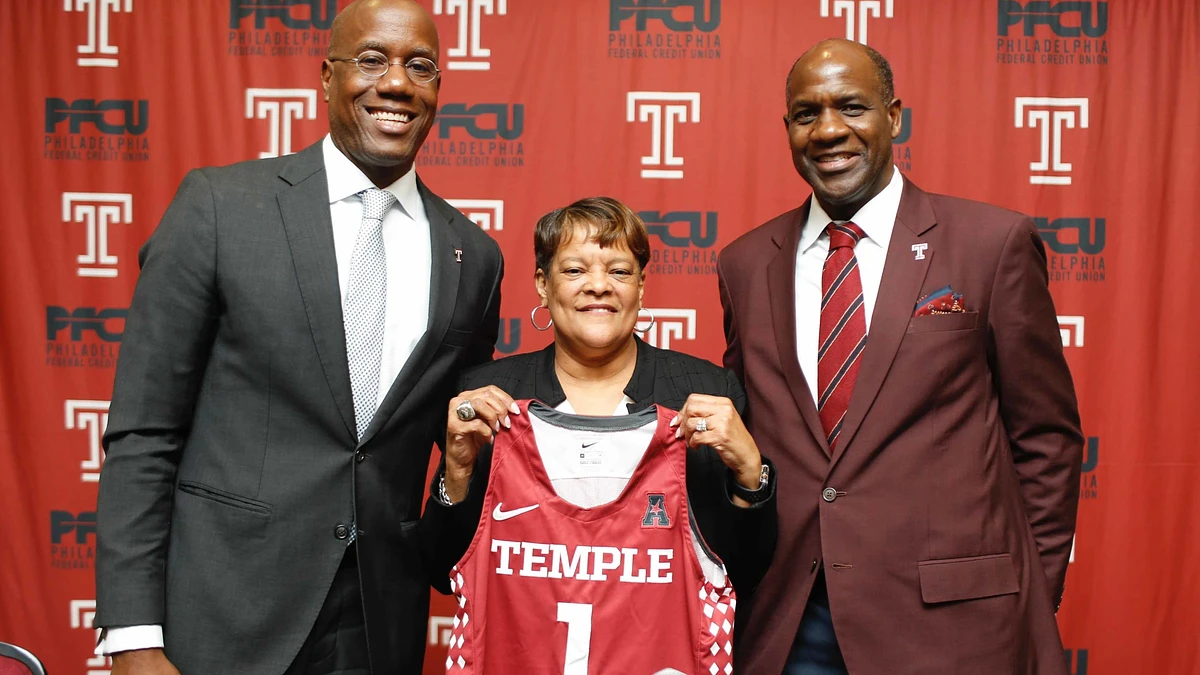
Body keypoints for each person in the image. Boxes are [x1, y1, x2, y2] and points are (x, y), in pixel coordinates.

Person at [93, 1, 503, 673]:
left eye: (420, 66)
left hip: (379, 631)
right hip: (223, 617)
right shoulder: (220, 208)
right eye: (371, 59)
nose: (396, 83)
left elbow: (460, 461)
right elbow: (144, 433)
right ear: (326, 76)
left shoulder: (473, 256)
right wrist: (134, 636)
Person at [717, 39, 1083, 675]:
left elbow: (1046, 438)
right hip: (790, 619)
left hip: (957, 625)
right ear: (787, 129)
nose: (829, 130)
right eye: (807, 114)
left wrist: (1026, 596)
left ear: (894, 116)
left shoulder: (990, 244)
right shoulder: (745, 263)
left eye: (852, 107)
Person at [418, 197, 778, 671]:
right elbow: (444, 571)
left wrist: (752, 475)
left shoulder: (706, 392)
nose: (598, 287)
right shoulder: (489, 397)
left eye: (620, 271)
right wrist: (458, 472)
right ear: (543, 286)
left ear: (642, 287)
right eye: (574, 270)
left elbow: (744, 571)